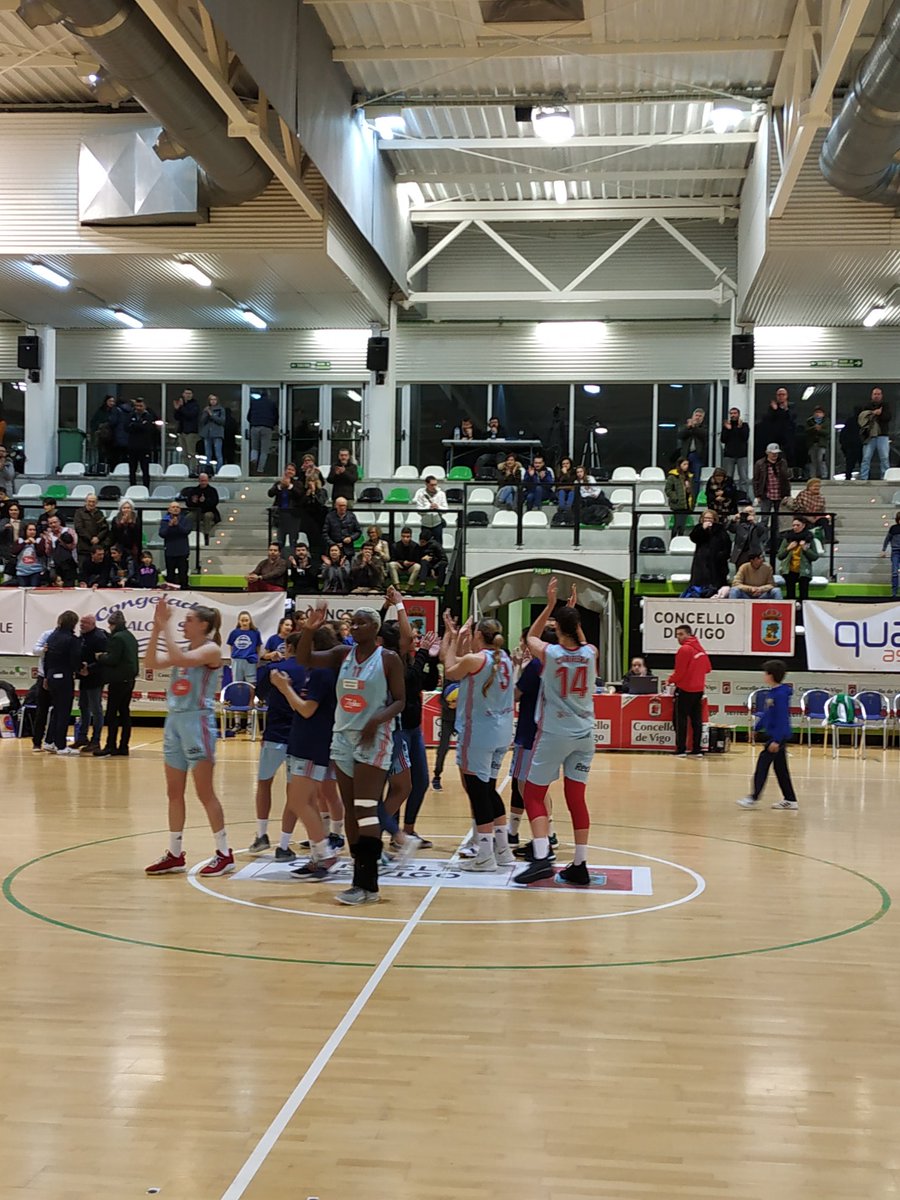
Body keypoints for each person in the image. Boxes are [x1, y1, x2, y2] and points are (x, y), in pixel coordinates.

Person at [294, 603, 405, 904]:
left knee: (367, 808)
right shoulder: (342, 654)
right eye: (351, 623)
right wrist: (309, 629)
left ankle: (369, 884)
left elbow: (400, 701)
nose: (353, 627)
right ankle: (360, 880)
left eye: (360, 623)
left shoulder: (388, 659)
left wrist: (376, 720)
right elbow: (303, 659)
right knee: (353, 813)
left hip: (373, 738)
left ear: (375, 628)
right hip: (342, 738)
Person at [513, 580, 596, 886]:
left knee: (534, 793)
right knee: (576, 797)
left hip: (554, 732)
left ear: (557, 628)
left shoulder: (549, 654)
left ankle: (541, 856)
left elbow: (531, 637)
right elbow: (582, 643)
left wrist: (549, 605)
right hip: (585, 734)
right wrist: (570, 615)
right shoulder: (591, 652)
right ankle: (580, 863)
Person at [144, 596, 233, 876]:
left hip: (198, 723)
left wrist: (166, 624)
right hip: (174, 723)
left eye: (189, 620)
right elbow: (151, 662)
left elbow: (181, 659)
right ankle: (174, 852)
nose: (184, 623)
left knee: (204, 791)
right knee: (173, 792)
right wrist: (157, 628)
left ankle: (224, 852)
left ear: (204, 625)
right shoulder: (183, 648)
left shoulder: (211, 650)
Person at [443, 612, 515, 873]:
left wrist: (451, 637)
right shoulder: (505, 659)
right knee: (490, 789)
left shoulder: (477, 659)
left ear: (478, 636)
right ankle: (503, 850)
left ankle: (485, 855)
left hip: (479, 733)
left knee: (478, 792)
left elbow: (450, 670)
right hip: (502, 732)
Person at [270, 626, 343, 876]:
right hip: (304, 741)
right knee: (307, 801)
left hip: (312, 744)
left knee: (298, 801)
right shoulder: (316, 672)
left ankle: (325, 854)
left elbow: (307, 709)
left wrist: (283, 687)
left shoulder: (322, 673)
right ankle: (318, 854)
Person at [247, 634, 306, 855]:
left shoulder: (275, 669)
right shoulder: (310, 671)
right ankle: (283, 845)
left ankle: (261, 835)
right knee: (294, 793)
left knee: (264, 783)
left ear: (288, 646)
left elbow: (258, 695)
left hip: (274, 734)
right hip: (300, 737)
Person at [737, 659, 798, 810]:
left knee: (762, 766)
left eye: (766, 673)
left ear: (771, 675)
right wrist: (756, 728)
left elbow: (782, 718)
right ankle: (790, 799)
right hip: (776, 736)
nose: (764, 676)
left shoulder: (781, 695)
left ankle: (753, 797)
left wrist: (777, 740)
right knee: (781, 769)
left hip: (778, 737)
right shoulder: (774, 693)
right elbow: (768, 714)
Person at [94, 610, 139, 757]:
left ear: (112, 625)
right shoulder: (130, 636)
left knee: (112, 714)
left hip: (118, 679)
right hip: (129, 679)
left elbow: (113, 659)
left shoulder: (117, 638)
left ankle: (110, 745)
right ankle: (123, 746)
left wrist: (100, 657)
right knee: (125, 713)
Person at [667, 624, 710, 758]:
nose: (678, 637)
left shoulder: (684, 649)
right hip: (698, 690)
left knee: (680, 720)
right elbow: (708, 668)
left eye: (680, 634)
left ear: (688, 634)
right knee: (696, 720)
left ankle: (681, 749)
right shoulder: (700, 649)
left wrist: (670, 680)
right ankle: (697, 749)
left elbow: (680, 672)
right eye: (677, 635)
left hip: (685, 689)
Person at [44, 609, 83, 755]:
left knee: (56, 709)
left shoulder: (53, 636)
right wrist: (80, 669)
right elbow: (75, 659)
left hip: (52, 674)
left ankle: (49, 741)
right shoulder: (72, 640)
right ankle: (61, 746)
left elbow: (46, 658)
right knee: (64, 711)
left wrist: (47, 676)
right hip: (64, 676)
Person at [73, 614, 107, 753]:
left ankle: (96, 740)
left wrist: (90, 669)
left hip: (95, 678)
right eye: (81, 622)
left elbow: (104, 660)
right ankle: (82, 737)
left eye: (85, 623)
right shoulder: (82, 637)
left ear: (93, 624)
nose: (82, 625)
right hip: (83, 677)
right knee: (83, 706)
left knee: (95, 709)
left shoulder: (100, 638)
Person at [688, 510, 731, 593]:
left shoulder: (720, 529)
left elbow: (727, 544)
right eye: (706, 518)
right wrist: (703, 529)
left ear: (714, 519)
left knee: (716, 583)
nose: (707, 520)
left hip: (717, 563)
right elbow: (694, 538)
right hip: (701, 561)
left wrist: (722, 555)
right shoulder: (698, 528)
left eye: (710, 518)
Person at [777, 517, 818, 601]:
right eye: (793, 525)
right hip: (789, 570)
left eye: (797, 525)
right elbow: (780, 556)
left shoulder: (809, 538)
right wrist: (788, 548)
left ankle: (803, 612)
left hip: (803, 570)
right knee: (790, 595)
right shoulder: (788, 538)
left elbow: (815, 557)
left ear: (803, 526)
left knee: (804, 596)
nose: (795, 527)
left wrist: (805, 549)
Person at [268, 465, 304, 556]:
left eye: (292, 470)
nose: (290, 471)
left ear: (295, 472)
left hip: (293, 516)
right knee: (280, 539)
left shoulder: (298, 484)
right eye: (288, 469)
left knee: (293, 539)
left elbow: (300, 494)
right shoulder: (278, 483)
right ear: (285, 471)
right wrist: (280, 487)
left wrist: (289, 486)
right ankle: (279, 558)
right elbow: (270, 493)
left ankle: (293, 558)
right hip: (281, 516)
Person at [858, 388, 891, 481]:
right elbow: (862, 418)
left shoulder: (886, 406)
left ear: (881, 395)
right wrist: (873, 412)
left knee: (884, 458)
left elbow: (888, 417)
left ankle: (885, 477)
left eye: (878, 394)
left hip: (882, 435)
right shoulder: (866, 406)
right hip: (869, 436)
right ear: (872, 395)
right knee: (866, 458)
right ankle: (864, 478)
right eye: (875, 394)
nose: (876, 396)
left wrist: (879, 414)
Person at [159, 501, 193, 589]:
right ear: (169, 509)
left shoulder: (185, 520)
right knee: (170, 574)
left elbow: (186, 531)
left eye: (177, 507)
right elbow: (162, 534)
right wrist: (169, 526)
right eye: (173, 507)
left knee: (183, 574)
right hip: (170, 551)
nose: (175, 509)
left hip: (182, 551)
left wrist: (177, 525)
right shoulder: (165, 520)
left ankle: (184, 590)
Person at [181, 473, 221, 546]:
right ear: (199, 481)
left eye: (205, 481)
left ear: (207, 481)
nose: (203, 483)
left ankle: (206, 535)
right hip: (197, 511)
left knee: (207, 516)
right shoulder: (194, 490)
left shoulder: (212, 490)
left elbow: (214, 503)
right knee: (189, 517)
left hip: (209, 511)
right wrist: (193, 502)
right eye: (202, 481)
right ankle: (190, 534)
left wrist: (204, 501)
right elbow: (188, 503)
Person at [126, 396, 156, 489]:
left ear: (144, 406)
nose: (138, 408)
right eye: (137, 406)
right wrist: (140, 425)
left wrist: (135, 425)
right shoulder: (130, 415)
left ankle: (146, 488)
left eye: (140, 406)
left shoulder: (149, 416)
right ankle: (132, 487)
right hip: (132, 447)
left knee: (145, 470)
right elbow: (127, 427)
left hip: (144, 447)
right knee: (132, 470)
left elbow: (147, 428)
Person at [753, 443, 791, 516]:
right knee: (765, 516)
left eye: (776, 453)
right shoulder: (760, 463)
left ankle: (775, 527)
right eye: (772, 453)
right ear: (767, 453)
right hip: (766, 494)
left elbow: (786, 479)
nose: (775, 455)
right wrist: (757, 495)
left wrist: (787, 494)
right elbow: (756, 480)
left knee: (779, 517)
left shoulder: (783, 463)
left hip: (780, 494)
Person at [226, 610, 262, 686]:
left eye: (246, 620)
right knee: (237, 683)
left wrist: (258, 660)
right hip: (237, 660)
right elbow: (231, 646)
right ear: (239, 621)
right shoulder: (234, 633)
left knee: (251, 683)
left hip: (250, 660)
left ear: (250, 621)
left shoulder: (255, 633)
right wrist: (232, 659)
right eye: (242, 620)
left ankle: (250, 698)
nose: (244, 623)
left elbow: (258, 647)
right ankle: (238, 697)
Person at [793, 477, 834, 543]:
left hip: (816, 517)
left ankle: (829, 538)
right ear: (809, 487)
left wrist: (816, 518)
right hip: (803, 515)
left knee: (825, 520)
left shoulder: (821, 497)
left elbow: (822, 511)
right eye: (815, 486)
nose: (817, 488)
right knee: (802, 520)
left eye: (818, 486)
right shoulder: (802, 494)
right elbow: (798, 508)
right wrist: (808, 517)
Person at [247, 389, 278, 475]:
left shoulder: (254, 403)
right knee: (264, 450)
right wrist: (273, 424)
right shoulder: (271, 403)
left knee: (254, 448)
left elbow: (248, 416)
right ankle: (260, 469)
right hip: (267, 427)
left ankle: (253, 461)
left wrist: (254, 422)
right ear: (268, 395)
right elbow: (276, 416)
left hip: (255, 426)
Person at [677, 407, 707, 498]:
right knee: (683, 477)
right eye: (696, 415)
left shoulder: (704, 427)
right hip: (685, 455)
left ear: (702, 418)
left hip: (697, 455)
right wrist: (688, 427)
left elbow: (703, 436)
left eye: (700, 416)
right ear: (692, 416)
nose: (697, 417)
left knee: (695, 478)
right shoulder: (686, 426)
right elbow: (680, 435)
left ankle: (694, 497)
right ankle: (683, 496)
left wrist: (694, 427)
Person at [729, 504, 769, 569]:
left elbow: (761, 531)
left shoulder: (758, 524)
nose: (748, 514)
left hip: (754, 553)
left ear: (754, 513)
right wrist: (733, 520)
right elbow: (731, 529)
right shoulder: (739, 524)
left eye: (750, 511)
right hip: (741, 553)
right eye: (746, 512)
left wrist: (754, 522)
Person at [322, 496, 361, 560]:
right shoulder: (329, 516)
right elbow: (325, 533)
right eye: (340, 505)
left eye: (344, 505)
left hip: (348, 550)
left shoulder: (351, 516)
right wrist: (333, 544)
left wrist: (351, 538)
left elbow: (358, 532)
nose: (342, 508)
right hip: (333, 550)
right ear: (336, 506)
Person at [720, 406, 749, 489]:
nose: (733, 415)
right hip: (729, 455)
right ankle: (729, 497)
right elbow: (723, 440)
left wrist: (738, 428)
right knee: (728, 478)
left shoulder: (744, 425)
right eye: (731, 413)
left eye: (735, 413)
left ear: (739, 414)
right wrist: (728, 429)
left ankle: (743, 497)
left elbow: (745, 437)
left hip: (742, 455)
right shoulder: (726, 426)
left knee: (743, 478)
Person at [665, 457, 694, 535]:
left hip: (687, 504)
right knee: (677, 524)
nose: (686, 466)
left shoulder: (689, 476)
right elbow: (668, 489)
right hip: (677, 504)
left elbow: (692, 490)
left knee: (682, 526)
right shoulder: (673, 476)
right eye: (684, 464)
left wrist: (689, 489)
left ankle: (680, 539)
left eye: (687, 464)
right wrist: (675, 498)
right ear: (679, 465)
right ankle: (673, 540)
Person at [413, 474, 448, 540]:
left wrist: (438, 507)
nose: (434, 486)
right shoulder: (421, 495)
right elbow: (419, 510)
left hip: (437, 523)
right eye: (432, 485)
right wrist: (429, 507)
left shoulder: (441, 494)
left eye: (435, 484)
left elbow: (445, 509)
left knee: (438, 544)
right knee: (424, 544)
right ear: (426, 484)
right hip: (425, 524)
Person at [109, 499, 142, 569]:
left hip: (132, 546)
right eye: (124, 508)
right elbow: (114, 534)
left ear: (131, 509)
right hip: (119, 546)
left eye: (128, 508)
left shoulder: (136, 519)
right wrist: (121, 524)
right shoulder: (116, 519)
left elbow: (137, 534)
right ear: (121, 509)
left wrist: (130, 524)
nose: (126, 510)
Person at [171, 387, 199, 464]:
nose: (188, 395)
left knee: (191, 452)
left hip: (191, 432)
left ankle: (192, 470)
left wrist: (182, 407)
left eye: (189, 393)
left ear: (192, 395)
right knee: (184, 453)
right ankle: (185, 468)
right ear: (183, 394)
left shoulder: (194, 404)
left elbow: (190, 415)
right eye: (186, 393)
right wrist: (177, 409)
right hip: (182, 431)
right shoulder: (182, 405)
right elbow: (177, 417)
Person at [13, 522, 47, 587]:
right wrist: (25, 543)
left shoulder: (39, 540)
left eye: (34, 530)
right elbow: (14, 551)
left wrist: (35, 543)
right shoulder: (20, 540)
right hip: (22, 571)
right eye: (30, 530)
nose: (32, 532)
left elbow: (41, 553)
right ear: (25, 531)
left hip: (35, 571)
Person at [199, 394, 226, 471]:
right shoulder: (206, 409)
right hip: (207, 433)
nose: (213, 401)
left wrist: (211, 415)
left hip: (217, 433)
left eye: (214, 399)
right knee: (208, 453)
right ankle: (208, 469)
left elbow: (222, 421)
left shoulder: (221, 409)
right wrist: (205, 413)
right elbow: (202, 421)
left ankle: (219, 470)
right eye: (211, 399)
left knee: (218, 453)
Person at [805, 405, 830, 480]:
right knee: (813, 461)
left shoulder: (826, 422)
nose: (817, 414)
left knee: (821, 460)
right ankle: (813, 476)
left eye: (819, 412)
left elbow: (827, 432)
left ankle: (823, 475)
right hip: (812, 444)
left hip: (821, 445)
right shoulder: (809, 421)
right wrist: (814, 428)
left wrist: (820, 430)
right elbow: (806, 430)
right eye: (816, 412)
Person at [839, 408, 863, 480]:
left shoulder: (849, 421)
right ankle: (864, 477)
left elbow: (843, 436)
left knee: (850, 464)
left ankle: (848, 477)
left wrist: (844, 447)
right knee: (862, 463)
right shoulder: (863, 421)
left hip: (850, 447)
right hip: (858, 446)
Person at [882, 512, 900, 597]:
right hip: (895, 552)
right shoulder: (893, 528)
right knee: (895, 572)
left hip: (896, 552)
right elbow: (887, 539)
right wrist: (883, 550)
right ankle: (894, 592)